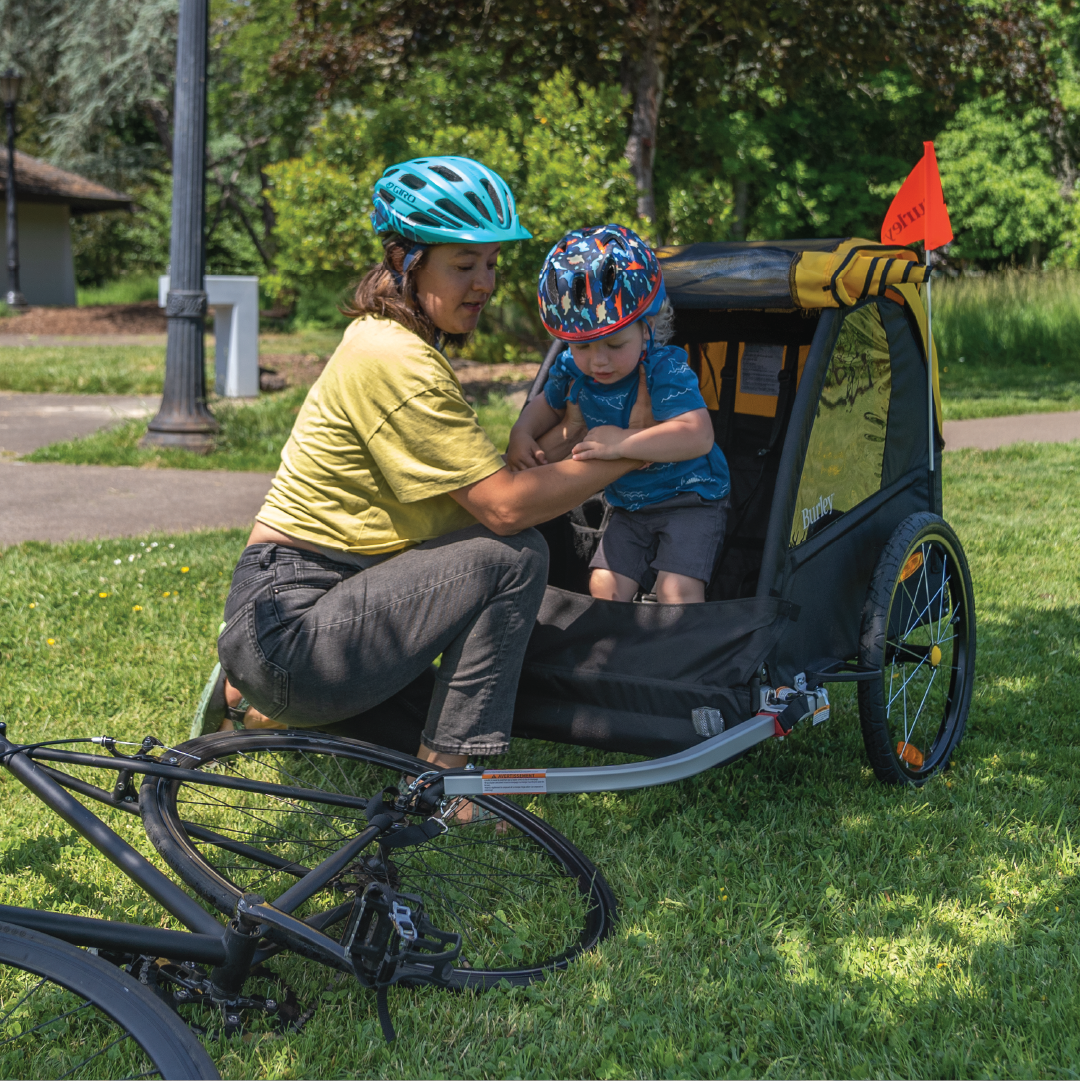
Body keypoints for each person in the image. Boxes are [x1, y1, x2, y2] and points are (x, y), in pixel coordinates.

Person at [192, 157, 651, 775]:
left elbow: (475, 498)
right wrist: (633, 449)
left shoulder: (395, 344)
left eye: (491, 264)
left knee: (417, 723)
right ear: (407, 261)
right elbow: (505, 507)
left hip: (306, 612)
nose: (484, 283)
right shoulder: (395, 359)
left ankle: (250, 701)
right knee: (513, 554)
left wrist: (567, 440)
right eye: (464, 266)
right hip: (294, 628)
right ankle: (451, 776)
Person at [507, 224, 730, 604]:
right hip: (629, 505)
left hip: (691, 498)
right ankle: (619, 657)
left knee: (679, 590)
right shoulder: (573, 368)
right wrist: (521, 433)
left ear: (649, 329)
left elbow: (698, 434)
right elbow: (546, 404)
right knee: (603, 587)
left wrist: (624, 443)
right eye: (583, 347)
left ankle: (678, 658)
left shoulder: (663, 369)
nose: (598, 361)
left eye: (614, 344)